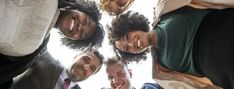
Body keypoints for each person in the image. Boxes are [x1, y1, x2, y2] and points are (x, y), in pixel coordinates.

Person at [107, 6, 234, 88]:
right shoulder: (161, 67)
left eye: (127, 37)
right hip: (216, 68)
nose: (131, 44)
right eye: (127, 49)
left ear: (133, 26)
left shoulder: (165, 15)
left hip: (221, 27)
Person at [0, 0, 104, 88]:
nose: (80, 27)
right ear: (79, 9)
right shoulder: (41, 57)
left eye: (81, 34)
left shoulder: (37, 48)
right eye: (85, 20)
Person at [10, 49, 104, 89]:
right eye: (85, 59)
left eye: (92, 68)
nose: (86, 67)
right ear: (76, 56)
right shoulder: (44, 57)